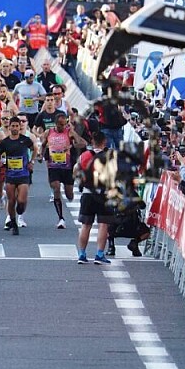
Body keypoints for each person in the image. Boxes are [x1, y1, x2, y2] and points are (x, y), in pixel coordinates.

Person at [75, 131, 116, 264]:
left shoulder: (84, 156)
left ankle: (82, 254)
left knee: (86, 225)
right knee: (103, 225)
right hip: (104, 194)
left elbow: (76, 171)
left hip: (88, 193)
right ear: (104, 141)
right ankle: (99, 254)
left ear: (92, 141)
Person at [40, 112, 86, 230]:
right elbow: (43, 145)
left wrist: (72, 145)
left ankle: (76, 204)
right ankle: (61, 218)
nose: (63, 126)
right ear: (55, 124)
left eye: (64, 124)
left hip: (67, 167)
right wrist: (41, 155)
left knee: (69, 195)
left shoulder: (69, 132)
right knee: (56, 188)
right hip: (53, 166)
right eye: (60, 124)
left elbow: (82, 143)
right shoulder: (49, 132)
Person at [0, 116, 36, 235]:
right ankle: (13, 223)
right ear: (9, 127)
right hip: (10, 175)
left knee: (21, 201)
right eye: (12, 126)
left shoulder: (25, 140)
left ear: (20, 127)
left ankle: (20, 211)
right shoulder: (5, 142)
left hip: (23, 174)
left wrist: (31, 161)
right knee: (11, 200)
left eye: (16, 126)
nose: (14, 128)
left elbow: (34, 149)